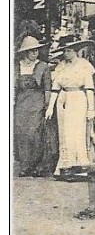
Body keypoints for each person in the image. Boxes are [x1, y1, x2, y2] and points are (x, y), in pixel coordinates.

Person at [46, 36, 95, 180]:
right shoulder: (61, 66)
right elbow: (55, 87)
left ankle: (80, 167)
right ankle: (65, 166)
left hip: (78, 99)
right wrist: (50, 107)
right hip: (63, 99)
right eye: (65, 51)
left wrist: (91, 109)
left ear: (75, 51)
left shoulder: (84, 65)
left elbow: (89, 88)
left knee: (78, 132)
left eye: (69, 51)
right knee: (65, 133)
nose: (66, 54)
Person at [14, 35, 59, 177]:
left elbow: (47, 88)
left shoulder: (43, 66)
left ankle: (36, 165)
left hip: (37, 103)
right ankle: (25, 165)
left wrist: (47, 106)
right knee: (21, 133)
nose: (35, 53)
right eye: (32, 51)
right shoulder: (16, 66)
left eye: (36, 50)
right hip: (21, 103)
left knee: (35, 133)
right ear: (25, 52)